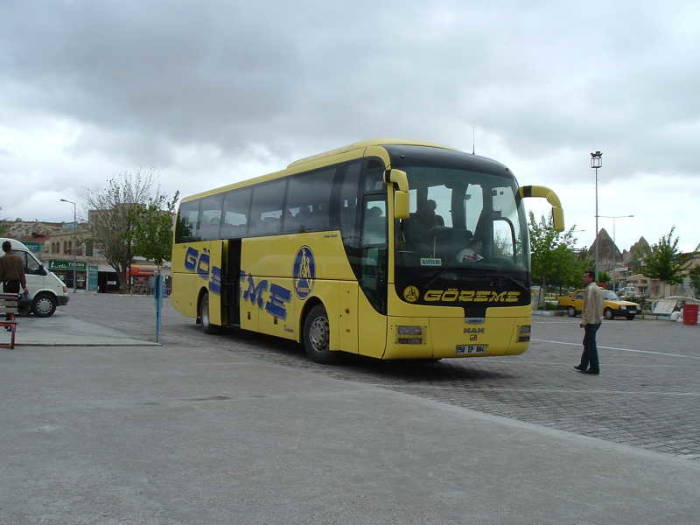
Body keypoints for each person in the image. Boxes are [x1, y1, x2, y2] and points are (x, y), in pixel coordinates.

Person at [575, 270, 604, 375]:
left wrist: (584, 321)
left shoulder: (590, 289)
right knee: (587, 342)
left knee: (590, 344)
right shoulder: (597, 288)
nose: (583, 278)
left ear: (591, 278)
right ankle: (583, 365)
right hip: (597, 319)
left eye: (585, 277)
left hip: (592, 321)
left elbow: (589, 307)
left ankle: (594, 368)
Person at [0, 240, 29, 327]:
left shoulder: (2, 259)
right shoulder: (18, 259)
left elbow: (1, 274)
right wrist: (24, 287)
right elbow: (21, 274)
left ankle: (8, 320)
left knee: (8, 302)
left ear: (3, 249)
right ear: (10, 248)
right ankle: (12, 318)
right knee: (13, 301)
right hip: (16, 283)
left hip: (7, 283)